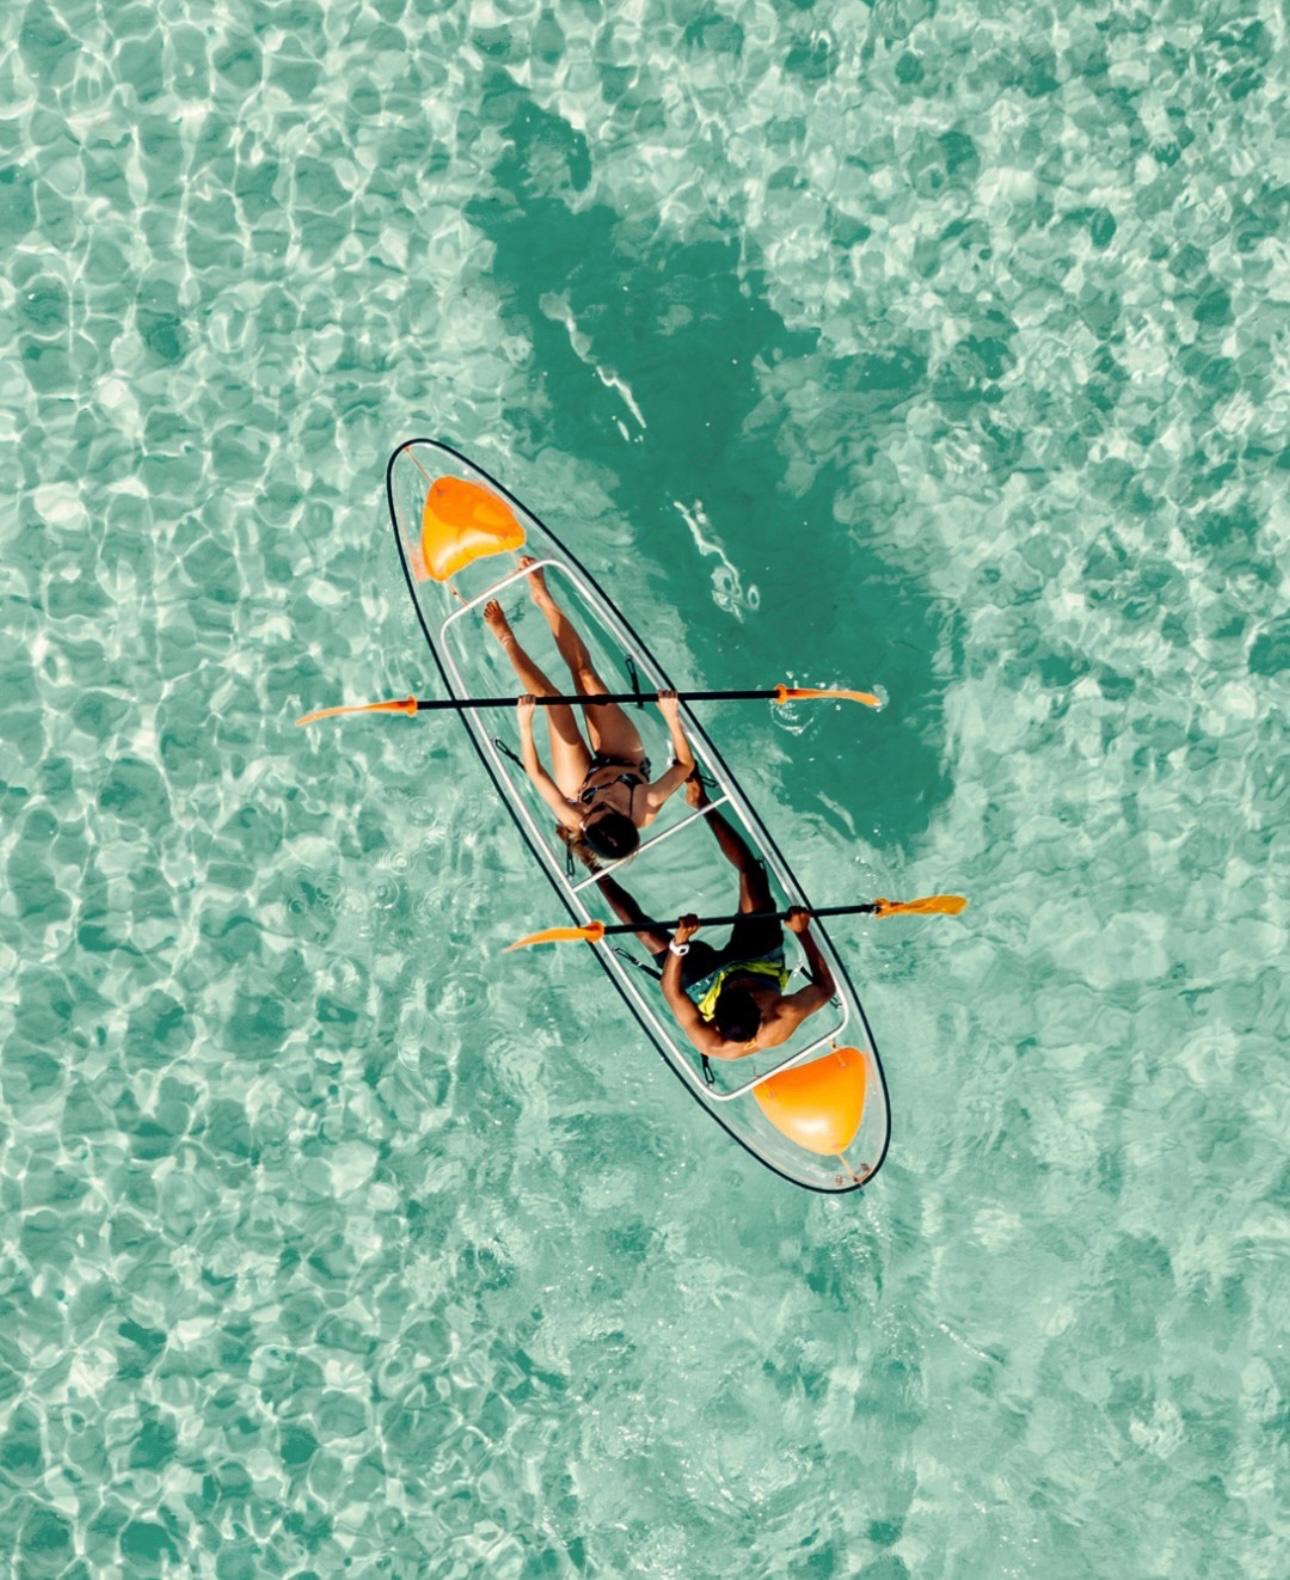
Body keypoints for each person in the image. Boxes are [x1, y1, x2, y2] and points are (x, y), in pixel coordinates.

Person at [591, 777, 836, 1059]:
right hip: (759, 963)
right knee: (751, 874)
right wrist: (802, 931)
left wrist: (679, 945)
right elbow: (826, 987)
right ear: (761, 1009)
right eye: (739, 990)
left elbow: (671, 992)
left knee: (644, 931)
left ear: (715, 1021)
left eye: (732, 991)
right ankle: (701, 801)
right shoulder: (784, 1013)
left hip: (704, 984)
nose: (734, 984)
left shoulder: (712, 1043)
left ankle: (591, 863)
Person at [483, 559, 696, 865]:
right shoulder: (645, 804)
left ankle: (505, 637)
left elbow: (536, 773)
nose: (590, 808)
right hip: (626, 761)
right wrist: (671, 717)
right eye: (599, 809)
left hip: (579, 782)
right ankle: (542, 597)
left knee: (552, 703)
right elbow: (685, 766)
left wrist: (525, 725)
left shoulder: (577, 816)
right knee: (585, 675)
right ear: (621, 814)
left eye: (587, 816)